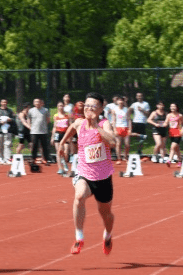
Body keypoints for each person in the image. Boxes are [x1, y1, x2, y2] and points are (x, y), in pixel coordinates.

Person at [58, 92, 116, 256]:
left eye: (93, 106)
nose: (89, 108)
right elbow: (70, 130)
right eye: (87, 105)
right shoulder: (78, 123)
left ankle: (108, 235)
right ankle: (79, 237)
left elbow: (112, 142)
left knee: (107, 215)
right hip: (84, 173)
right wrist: (61, 145)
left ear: (100, 109)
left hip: (103, 177)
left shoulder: (104, 124)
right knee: (79, 196)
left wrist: (96, 125)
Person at [27, 98, 51, 169]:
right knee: (34, 146)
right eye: (35, 102)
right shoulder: (31, 110)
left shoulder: (45, 110)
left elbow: (48, 120)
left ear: (41, 103)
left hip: (43, 131)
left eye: (38, 102)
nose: (37, 103)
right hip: (34, 131)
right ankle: (33, 159)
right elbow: (28, 119)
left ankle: (45, 159)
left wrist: (43, 126)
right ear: (34, 103)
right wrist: (30, 126)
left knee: (44, 146)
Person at [0, 99, 15, 164]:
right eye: (3, 102)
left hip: (8, 130)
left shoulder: (10, 111)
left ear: (7, 103)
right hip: (0, 131)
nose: (4, 103)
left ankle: (7, 159)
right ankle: (2, 158)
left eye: (5, 102)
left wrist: (10, 119)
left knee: (7, 145)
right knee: (0, 145)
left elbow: (14, 119)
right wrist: (0, 122)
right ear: (0, 103)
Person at [52, 103, 72, 175]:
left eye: (62, 106)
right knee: (58, 151)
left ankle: (65, 162)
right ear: (57, 107)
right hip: (58, 134)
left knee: (66, 151)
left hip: (65, 134)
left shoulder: (67, 116)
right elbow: (54, 126)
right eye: (59, 106)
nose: (61, 107)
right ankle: (60, 168)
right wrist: (52, 137)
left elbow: (70, 126)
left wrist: (70, 136)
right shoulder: (56, 116)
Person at [110, 95, 130, 164]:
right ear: (117, 101)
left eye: (122, 100)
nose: (120, 102)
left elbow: (129, 119)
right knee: (118, 144)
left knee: (127, 144)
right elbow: (114, 120)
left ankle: (125, 157)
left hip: (125, 127)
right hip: (118, 127)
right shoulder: (114, 110)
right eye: (119, 100)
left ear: (124, 101)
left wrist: (130, 129)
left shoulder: (126, 109)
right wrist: (114, 129)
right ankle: (119, 158)